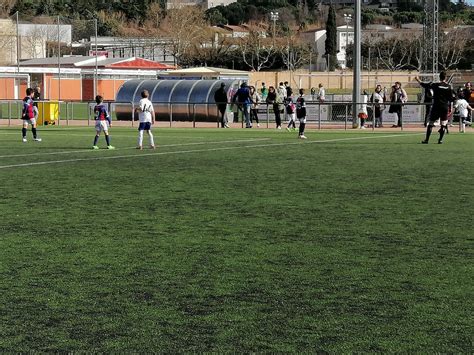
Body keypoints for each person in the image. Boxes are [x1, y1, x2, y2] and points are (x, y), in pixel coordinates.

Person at [416, 72, 456, 144]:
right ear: (445, 78)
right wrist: (454, 100)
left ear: (439, 77)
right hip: (444, 107)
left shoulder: (435, 85)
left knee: (431, 123)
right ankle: (440, 140)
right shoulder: (448, 86)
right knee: (443, 124)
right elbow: (451, 98)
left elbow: (425, 85)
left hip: (436, 106)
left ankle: (427, 140)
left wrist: (418, 80)